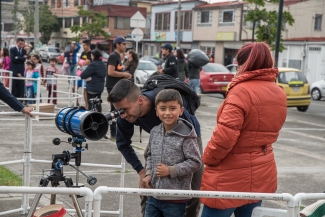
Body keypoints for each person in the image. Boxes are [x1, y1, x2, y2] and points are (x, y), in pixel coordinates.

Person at [200, 42, 287, 217]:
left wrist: (208, 158)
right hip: (263, 170)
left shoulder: (241, 91)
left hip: (229, 176)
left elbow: (224, 137)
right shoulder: (279, 92)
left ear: (242, 64)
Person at [107, 79, 203, 217]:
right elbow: (123, 144)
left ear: (140, 100)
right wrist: (143, 172)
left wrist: (172, 169)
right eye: (119, 111)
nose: (123, 115)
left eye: (125, 109)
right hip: (158, 136)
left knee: (193, 190)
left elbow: (193, 159)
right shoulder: (124, 115)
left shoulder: (165, 105)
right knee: (147, 186)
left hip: (187, 136)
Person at [143, 89, 201, 217]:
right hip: (154, 195)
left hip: (175, 199)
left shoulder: (186, 135)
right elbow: (150, 155)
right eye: (163, 108)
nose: (167, 113)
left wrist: (170, 170)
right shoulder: (154, 132)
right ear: (156, 112)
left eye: (172, 108)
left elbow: (195, 162)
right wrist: (148, 174)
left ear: (181, 111)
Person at [106, 36, 132, 139]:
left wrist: (124, 73)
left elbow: (118, 70)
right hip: (112, 86)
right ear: (117, 44)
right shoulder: (113, 56)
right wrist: (124, 75)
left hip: (116, 85)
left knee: (118, 108)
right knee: (115, 109)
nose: (125, 46)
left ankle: (116, 132)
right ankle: (113, 133)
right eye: (124, 44)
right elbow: (110, 72)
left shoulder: (118, 56)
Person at [79, 39, 92, 109]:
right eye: (82, 45)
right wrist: (83, 62)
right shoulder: (83, 53)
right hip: (83, 72)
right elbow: (80, 62)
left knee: (88, 89)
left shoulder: (91, 53)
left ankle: (89, 105)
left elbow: (87, 62)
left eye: (84, 45)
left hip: (89, 74)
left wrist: (83, 62)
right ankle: (86, 104)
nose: (83, 47)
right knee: (84, 89)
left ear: (88, 45)